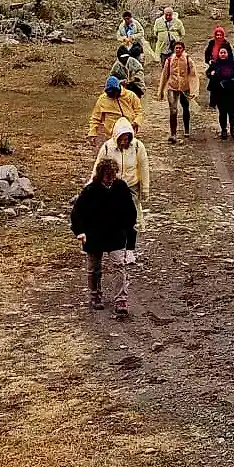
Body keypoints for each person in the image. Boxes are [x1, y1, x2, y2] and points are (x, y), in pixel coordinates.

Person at [70, 159, 139, 312]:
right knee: (94, 268)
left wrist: (130, 237)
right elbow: (77, 213)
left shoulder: (121, 188)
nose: (110, 178)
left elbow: (130, 213)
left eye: (113, 174)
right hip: (94, 235)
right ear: (100, 174)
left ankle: (121, 300)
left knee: (119, 266)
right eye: (107, 174)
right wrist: (80, 232)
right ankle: (95, 296)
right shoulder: (90, 190)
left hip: (116, 235)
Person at [86, 76, 143, 152]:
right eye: (109, 94)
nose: (111, 95)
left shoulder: (130, 95)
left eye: (113, 93)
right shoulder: (102, 99)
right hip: (111, 135)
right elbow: (95, 118)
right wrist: (92, 133)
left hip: (128, 133)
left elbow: (139, 111)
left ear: (118, 89)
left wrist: (136, 122)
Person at [205, 44, 234, 140]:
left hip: (231, 93)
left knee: (232, 112)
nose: (222, 54)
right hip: (220, 93)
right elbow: (208, 73)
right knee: (222, 113)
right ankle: (224, 130)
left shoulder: (233, 63)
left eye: (224, 52)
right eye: (221, 52)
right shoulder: (215, 64)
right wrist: (211, 74)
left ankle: (233, 129)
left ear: (228, 53)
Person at [158, 39, 199, 143]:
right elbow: (164, 76)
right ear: (174, 49)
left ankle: (186, 129)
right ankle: (173, 133)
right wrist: (161, 91)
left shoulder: (188, 59)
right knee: (173, 110)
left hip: (185, 88)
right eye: (176, 48)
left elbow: (193, 75)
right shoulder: (169, 60)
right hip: (172, 87)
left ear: (183, 49)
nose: (178, 50)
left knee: (185, 107)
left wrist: (194, 90)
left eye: (180, 48)